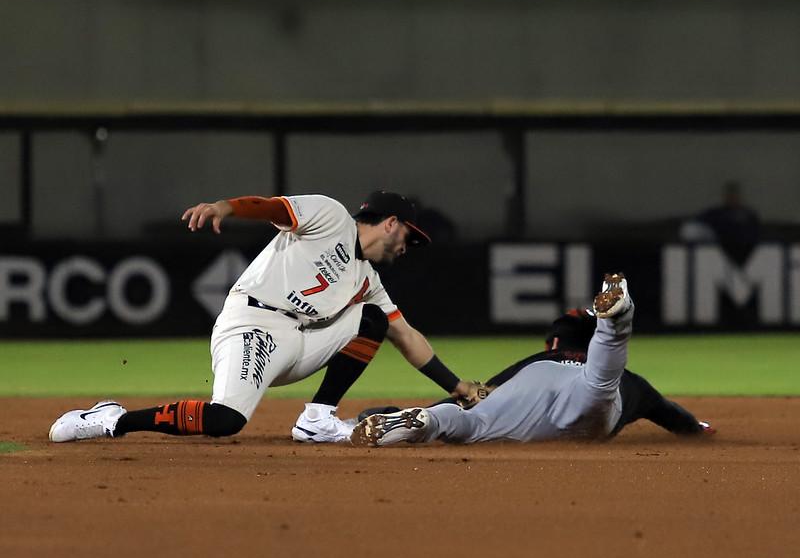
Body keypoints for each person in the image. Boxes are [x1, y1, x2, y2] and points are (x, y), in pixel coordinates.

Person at [49, 191, 478, 444]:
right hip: (251, 325)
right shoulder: (331, 217)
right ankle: (111, 419)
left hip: (299, 340)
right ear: (389, 223)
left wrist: (460, 389)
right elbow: (275, 208)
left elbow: (407, 335)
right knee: (225, 421)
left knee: (374, 320)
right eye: (409, 235)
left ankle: (317, 420)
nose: (409, 246)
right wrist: (227, 207)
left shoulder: (368, 279)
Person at [351, 274, 715, 447]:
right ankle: (617, 320)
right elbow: (672, 414)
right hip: (585, 400)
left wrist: (433, 405)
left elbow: (477, 395)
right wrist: (697, 430)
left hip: (529, 387)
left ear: (556, 342)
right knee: (601, 383)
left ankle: (426, 420)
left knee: (470, 423)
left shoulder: (540, 358)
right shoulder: (634, 383)